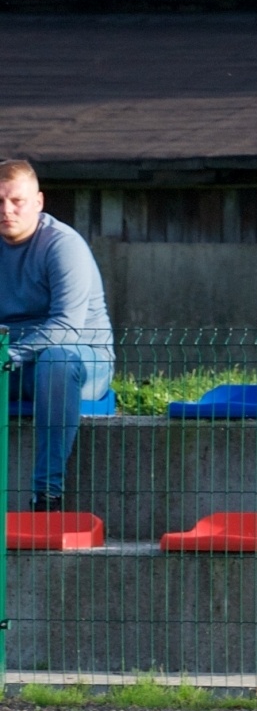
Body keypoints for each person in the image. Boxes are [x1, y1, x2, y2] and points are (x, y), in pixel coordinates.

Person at [0, 159, 114, 511]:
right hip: (16, 361)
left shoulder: (62, 245)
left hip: (81, 360)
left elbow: (67, 327)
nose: (6, 210)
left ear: (38, 202)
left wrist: (10, 355)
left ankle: (47, 495)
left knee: (57, 359)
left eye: (16, 201)